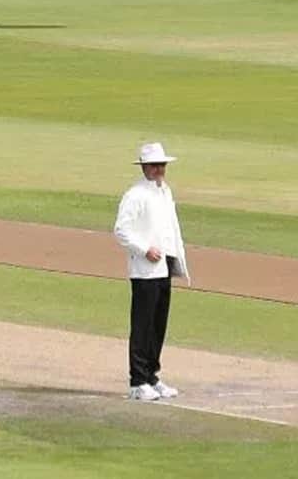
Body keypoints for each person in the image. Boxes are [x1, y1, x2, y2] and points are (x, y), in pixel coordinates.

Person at [114, 142, 189, 402]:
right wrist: (145, 249)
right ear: (144, 167)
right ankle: (137, 381)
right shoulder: (135, 195)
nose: (159, 170)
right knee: (143, 325)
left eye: (162, 165)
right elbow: (122, 230)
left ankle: (152, 376)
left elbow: (170, 228)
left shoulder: (165, 192)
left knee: (158, 324)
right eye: (155, 165)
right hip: (145, 268)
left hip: (164, 265)